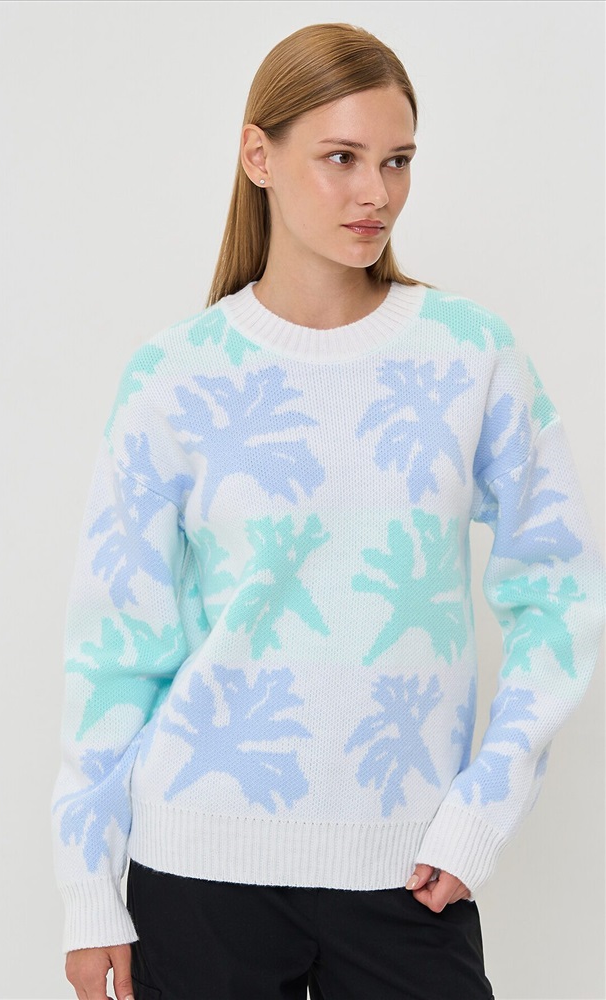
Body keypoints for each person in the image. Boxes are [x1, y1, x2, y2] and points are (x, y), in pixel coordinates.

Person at [51, 21, 605, 1000]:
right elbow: (114, 649)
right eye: (341, 158)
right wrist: (89, 888)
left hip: (408, 871)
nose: (375, 193)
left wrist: (483, 807)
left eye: (396, 161)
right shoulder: (175, 376)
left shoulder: (469, 356)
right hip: (197, 868)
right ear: (258, 156)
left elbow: (560, 594)